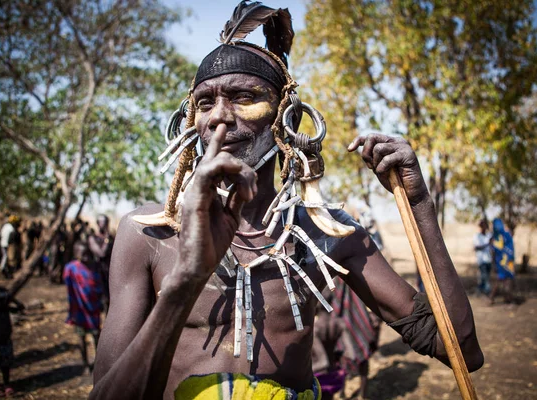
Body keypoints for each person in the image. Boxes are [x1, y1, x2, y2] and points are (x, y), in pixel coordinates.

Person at [91, 3, 483, 399]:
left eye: (244, 96)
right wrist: (187, 279)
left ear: (286, 119)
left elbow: (461, 350)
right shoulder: (149, 234)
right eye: (206, 103)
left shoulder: (325, 233)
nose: (219, 118)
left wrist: (419, 204)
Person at [63, 241, 104, 372]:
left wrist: (101, 300)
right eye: (82, 254)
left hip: (93, 309)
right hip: (79, 309)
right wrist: (72, 311)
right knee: (81, 338)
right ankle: (85, 364)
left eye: (87, 253)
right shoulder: (71, 268)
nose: (85, 256)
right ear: (76, 254)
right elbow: (70, 289)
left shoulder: (94, 267)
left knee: (96, 336)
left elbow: (99, 285)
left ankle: (98, 362)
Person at [313, 291, 356, 400]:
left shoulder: (315, 329)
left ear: (316, 304)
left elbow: (323, 362)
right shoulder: (340, 323)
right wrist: (338, 357)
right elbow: (351, 354)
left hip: (317, 378)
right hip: (333, 376)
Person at [87, 215, 114, 309]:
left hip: (109, 271)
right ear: (97, 223)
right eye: (101, 222)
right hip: (97, 271)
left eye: (105, 222)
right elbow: (101, 253)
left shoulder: (111, 237)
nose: (104, 224)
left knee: (110, 298)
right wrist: (107, 240)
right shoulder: (92, 238)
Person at [489, 218, 515, 305]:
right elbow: (493, 251)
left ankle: (507, 298)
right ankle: (493, 297)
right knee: (501, 280)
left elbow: (510, 248)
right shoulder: (495, 237)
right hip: (501, 262)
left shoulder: (505, 235)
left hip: (507, 261)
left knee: (507, 280)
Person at [473, 219, 492, 295]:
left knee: (485, 277)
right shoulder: (477, 236)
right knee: (485, 277)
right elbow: (476, 247)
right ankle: (488, 293)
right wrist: (488, 243)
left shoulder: (489, 235)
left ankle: (479, 290)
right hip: (481, 260)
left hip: (489, 259)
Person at [0, 215, 16, 279]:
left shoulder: (5, 226)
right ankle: (2, 267)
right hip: (6, 244)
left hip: (2, 243)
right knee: (6, 256)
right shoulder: (10, 227)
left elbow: (0, 234)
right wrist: (10, 243)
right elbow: (12, 236)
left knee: (4, 255)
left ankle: (3, 267)